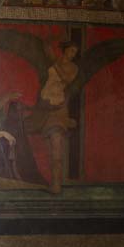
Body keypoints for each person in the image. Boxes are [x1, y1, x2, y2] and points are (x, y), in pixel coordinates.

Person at [25, 40, 79, 194]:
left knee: (56, 147)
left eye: (75, 53)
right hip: (45, 108)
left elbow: (66, 80)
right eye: (70, 51)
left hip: (58, 109)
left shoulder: (73, 68)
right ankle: (52, 182)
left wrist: (54, 62)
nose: (72, 55)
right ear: (65, 49)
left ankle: (56, 185)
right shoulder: (54, 61)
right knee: (48, 148)